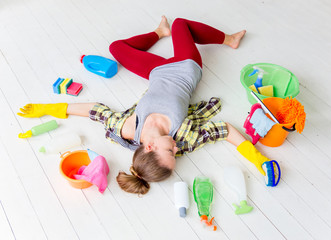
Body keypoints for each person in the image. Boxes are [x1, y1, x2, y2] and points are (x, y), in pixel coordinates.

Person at [17, 16, 278, 195]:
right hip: (186, 68)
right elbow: (226, 130)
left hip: (158, 72)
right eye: (176, 153)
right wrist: (259, 159)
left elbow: (93, 110)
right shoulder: (185, 137)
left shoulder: (126, 128)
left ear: (149, 146)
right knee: (180, 23)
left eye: (170, 150)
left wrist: (49, 108)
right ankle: (228, 39)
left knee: (116, 48)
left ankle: (166, 33)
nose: (177, 148)